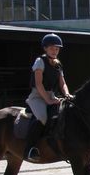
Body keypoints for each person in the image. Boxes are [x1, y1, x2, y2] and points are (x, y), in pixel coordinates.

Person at [25, 33, 72, 161]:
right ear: (45, 48)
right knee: (42, 117)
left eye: (57, 49)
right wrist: (48, 100)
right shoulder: (40, 61)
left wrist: (67, 94)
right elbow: (39, 84)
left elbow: (62, 83)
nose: (55, 51)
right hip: (38, 96)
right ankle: (30, 148)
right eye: (52, 48)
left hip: (51, 94)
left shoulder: (57, 64)